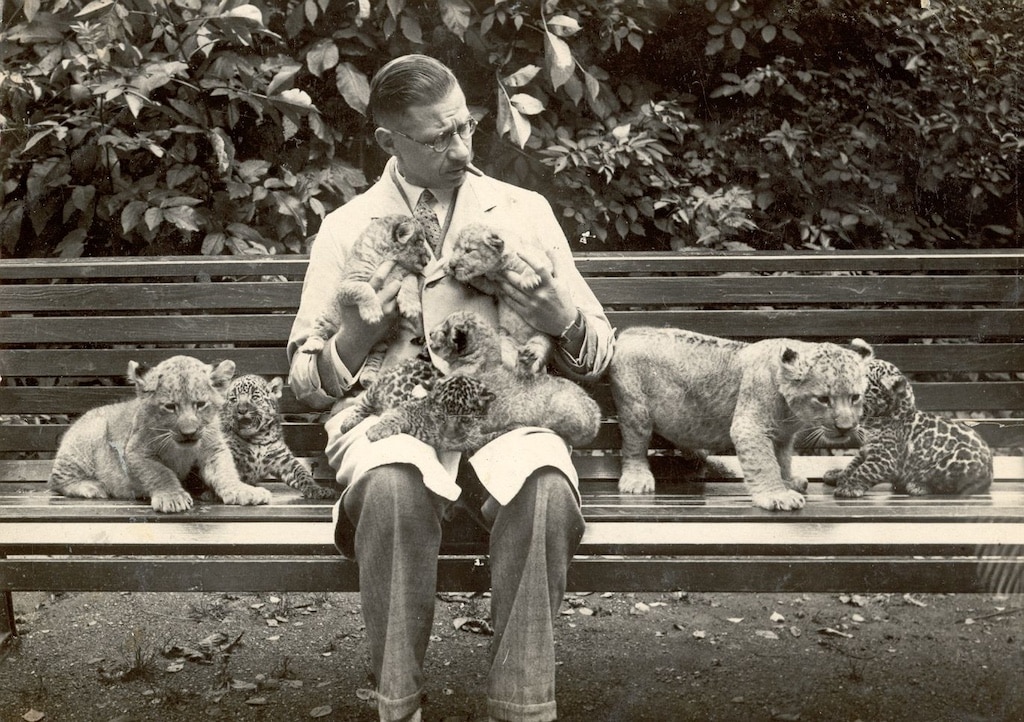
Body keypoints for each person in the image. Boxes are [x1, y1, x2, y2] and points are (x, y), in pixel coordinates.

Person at [287, 54, 614, 722]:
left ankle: (522, 709)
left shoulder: (523, 210)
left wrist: (562, 319)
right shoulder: (348, 227)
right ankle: (398, 707)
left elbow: (600, 349)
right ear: (389, 141)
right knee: (391, 486)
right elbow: (306, 383)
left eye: (466, 127)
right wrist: (354, 336)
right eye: (438, 139)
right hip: (393, 419)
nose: (462, 149)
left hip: (506, 413)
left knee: (545, 487)